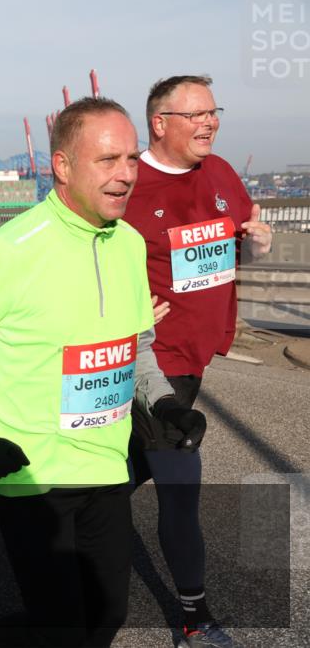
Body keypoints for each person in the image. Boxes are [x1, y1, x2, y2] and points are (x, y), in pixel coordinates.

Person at [0, 98, 200, 647]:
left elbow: (136, 346)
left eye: (131, 159)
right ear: (63, 166)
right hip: (31, 475)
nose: (125, 175)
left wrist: (163, 404)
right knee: (64, 631)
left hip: (104, 462)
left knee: (107, 617)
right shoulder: (10, 250)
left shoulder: (129, 245)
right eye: (107, 160)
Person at [121, 76, 273, 648]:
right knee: (180, 484)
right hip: (150, 360)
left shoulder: (222, 172)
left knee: (122, 476)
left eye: (214, 112)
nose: (210, 122)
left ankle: (59, 523)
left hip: (198, 356)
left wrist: (251, 248)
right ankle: (195, 617)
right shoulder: (126, 182)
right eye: (196, 114)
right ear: (159, 122)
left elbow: (228, 246)